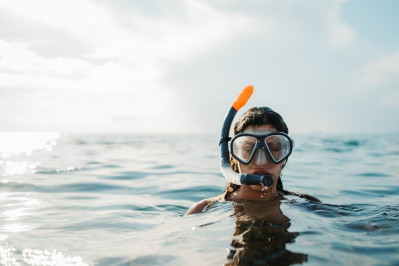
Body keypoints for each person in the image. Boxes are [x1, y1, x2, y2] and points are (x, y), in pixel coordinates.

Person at [186, 106, 320, 215]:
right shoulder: (202, 211)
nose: (261, 162)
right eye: (248, 149)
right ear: (234, 155)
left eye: (273, 148)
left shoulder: (308, 205)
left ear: (285, 154)